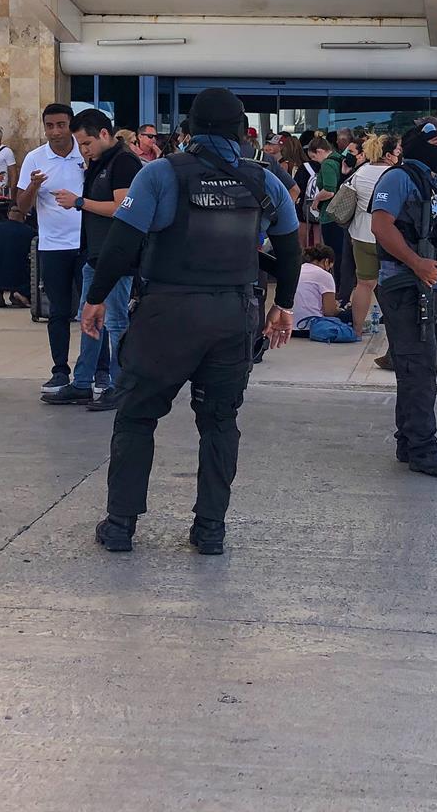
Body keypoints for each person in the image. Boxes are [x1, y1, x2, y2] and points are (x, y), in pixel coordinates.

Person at [84, 87, 299, 556]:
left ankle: (120, 526)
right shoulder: (267, 180)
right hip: (233, 316)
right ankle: (210, 531)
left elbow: (122, 242)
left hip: (167, 315)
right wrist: (283, 305)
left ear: (188, 131)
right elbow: (290, 247)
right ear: (244, 131)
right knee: (220, 421)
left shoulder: (160, 174)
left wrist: (96, 298)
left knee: (137, 416)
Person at [371, 120, 437, 476]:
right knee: (418, 371)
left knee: (422, 369)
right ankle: (422, 449)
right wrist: (415, 263)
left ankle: (408, 441)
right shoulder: (398, 178)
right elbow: (380, 226)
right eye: (434, 141)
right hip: (406, 287)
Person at [45, 108, 142, 410]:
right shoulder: (99, 163)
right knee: (88, 319)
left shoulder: (124, 162)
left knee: (115, 321)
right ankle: (83, 382)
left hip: (118, 257)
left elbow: (121, 208)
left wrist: (78, 202)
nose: (83, 150)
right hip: (96, 255)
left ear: (103, 134)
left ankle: (118, 384)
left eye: (86, 143)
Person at [16, 103, 84, 391]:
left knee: (93, 308)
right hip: (53, 246)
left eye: (61, 125)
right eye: (49, 126)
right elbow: (20, 207)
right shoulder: (34, 158)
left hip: (85, 244)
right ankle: (60, 369)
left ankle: (98, 368)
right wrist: (33, 186)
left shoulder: (86, 153)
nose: (55, 131)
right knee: (57, 311)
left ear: (70, 125)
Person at [343, 133, 396, 335]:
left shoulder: (361, 172)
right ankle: (394, 329)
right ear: (389, 154)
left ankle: (356, 330)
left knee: (364, 284)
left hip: (361, 234)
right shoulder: (395, 173)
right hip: (389, 236)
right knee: (391, 284)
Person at [309, 136, 355, 304]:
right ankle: (344, 291)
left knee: (334, 254)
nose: (314, 161)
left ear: (320, 151)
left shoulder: (328, 164)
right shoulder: (339, 160)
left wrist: (316, 200)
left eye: (314, 157)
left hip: (330, 215)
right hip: (343, 216)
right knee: (343, 254)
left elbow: (329, 190)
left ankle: (338, 290)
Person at [293, 243, 340, 332]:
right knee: (349, 315)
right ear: (326, 262)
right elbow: (329, 312)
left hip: (290, 327)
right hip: (312, 327)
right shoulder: (325, 276)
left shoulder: (297, 270)